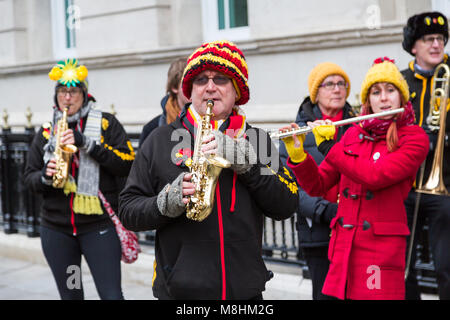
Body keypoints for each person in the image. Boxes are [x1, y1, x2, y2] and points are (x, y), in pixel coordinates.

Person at [118, 40, 299, 300]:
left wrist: (247, 164)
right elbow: (127, 209)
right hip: (180, 293)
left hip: (244, 294)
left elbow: (287, 204)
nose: (210, 87)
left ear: (237, 90)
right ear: (190, 92)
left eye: (221, 79)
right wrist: (165, 202)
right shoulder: (159, 139)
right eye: (201, 80)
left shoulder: (258, 140)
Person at [280, 57, 429, 299]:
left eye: (390, 90)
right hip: (344, 248)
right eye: (376, 92)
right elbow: (317, 185)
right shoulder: (352, 134)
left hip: (379, 252)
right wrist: (298, 156)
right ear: (368, 99)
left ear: (401, 97)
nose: (383, 98)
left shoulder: (414, 137)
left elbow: (375, 176)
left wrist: (329, 146)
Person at [23, 59, 135, 300]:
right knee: (72, 295)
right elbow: (28, 179)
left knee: (111, 295)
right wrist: (45, 176)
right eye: (62, 91)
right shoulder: (45, 132)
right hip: (57, 231)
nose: (67, 98)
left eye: (73, 91)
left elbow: (127, 163)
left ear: (84, 94)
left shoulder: (106, 123)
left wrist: (88, 144)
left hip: (98, 228)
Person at [279, 62, 355, 300]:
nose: (337, 90)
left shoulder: (358, 125)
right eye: (329, 84)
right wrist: (325, 211)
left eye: (341, 84)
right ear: (316, 92)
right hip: (318, 231)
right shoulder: (297, 132)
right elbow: (290, 187)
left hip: (355, 229)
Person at [401, 11, 450, 300]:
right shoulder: (399, 82)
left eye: (441, 39)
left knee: (447, 266)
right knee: (404, 265)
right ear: (414, 46)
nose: (436, 45)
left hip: (444, 186)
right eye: (428, 39)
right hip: (406, 186)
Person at [139, 57, 189, 147]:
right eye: (188, 83)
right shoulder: (151, 129)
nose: (196, 89)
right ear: (174, 87)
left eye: (199, 82)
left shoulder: (214, 119)